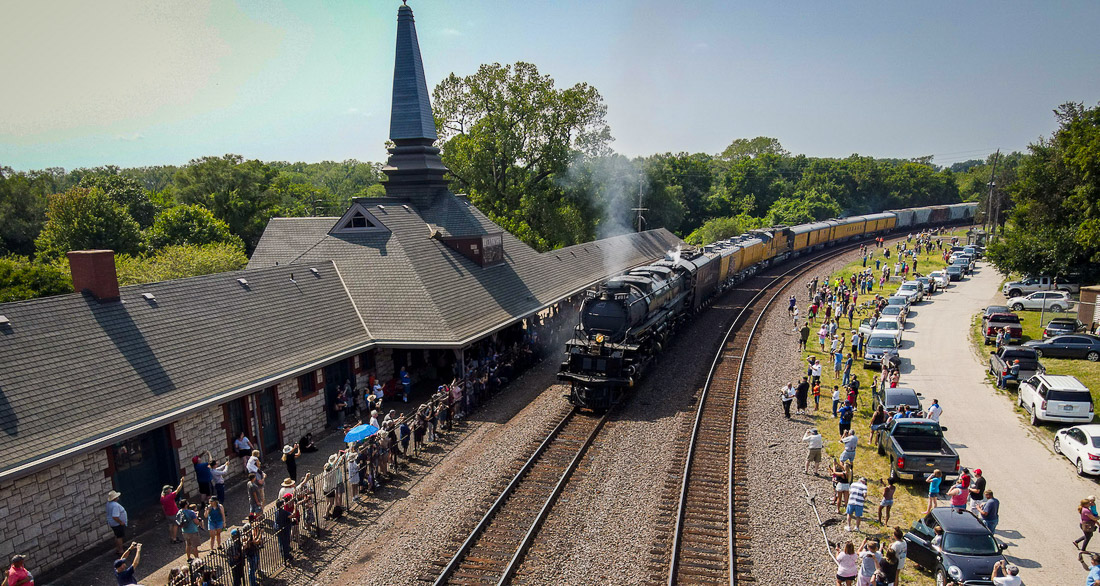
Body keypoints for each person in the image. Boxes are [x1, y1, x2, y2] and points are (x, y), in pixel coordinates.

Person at [160, 476, 185, 544]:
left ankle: (171, 537)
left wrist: (165, 513)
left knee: (170, 525)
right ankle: (174, 538)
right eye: (169, 489)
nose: (171, 490)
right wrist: (181, 482)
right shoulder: (170, 496)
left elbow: (162, 506)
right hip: (173, 513)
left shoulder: (162, 498)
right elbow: (177, 490)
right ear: (167, 490)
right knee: (175, 525)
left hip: (168, 514)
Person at [106, 490, 128, 556]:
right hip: (117, 524)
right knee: (119, 536)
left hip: (112, 523)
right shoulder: (115, 506)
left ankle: (118, 548)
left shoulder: (108, 504)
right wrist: (121, 522)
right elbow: (115, 516)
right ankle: (121, 550)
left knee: (117, 535)